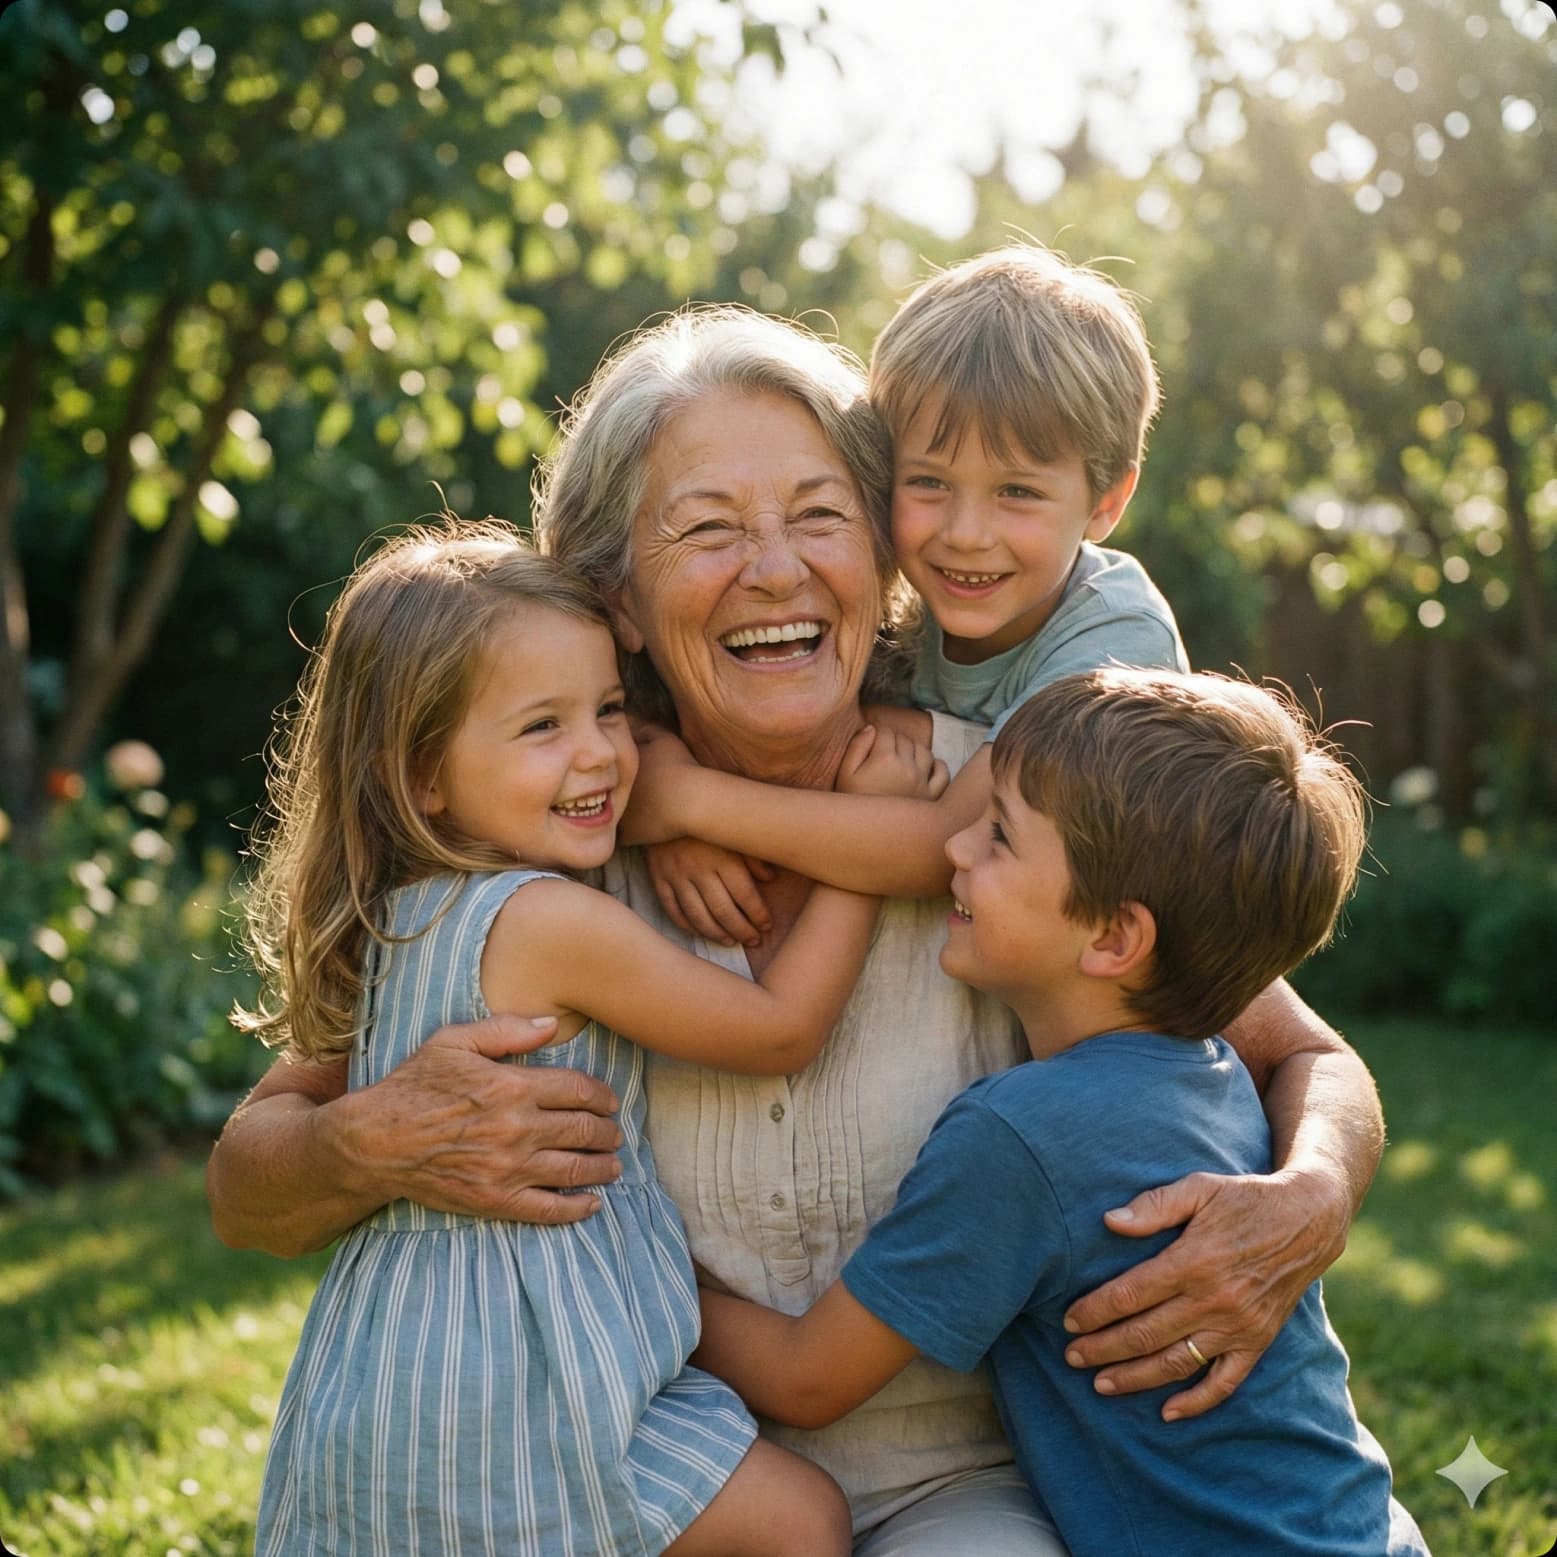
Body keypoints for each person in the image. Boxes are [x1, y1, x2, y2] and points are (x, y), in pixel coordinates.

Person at [208, 307, 1387, 1555]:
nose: (775, 569)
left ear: (882, 554)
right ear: (614, 591)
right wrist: (367, 1143)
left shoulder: (1022, 819)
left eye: (820, 516)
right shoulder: (551, 834)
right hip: (635, 1467)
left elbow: (1306, 1058)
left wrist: (1309, 1195)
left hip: (962, 1478)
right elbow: (249, 1183)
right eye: (709, 528)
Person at [238, 522, 933, 1554]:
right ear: (424, 775)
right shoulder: (544, 922)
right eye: (542, 728)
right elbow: (778, 1027)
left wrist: (690, 819)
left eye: (609, 710)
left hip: (392, 1370)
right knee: (801, 1522)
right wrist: (856, 846)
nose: (602, 753)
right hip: (514, 1389)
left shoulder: (404, 912)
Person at [692, 667, 1429, 1556]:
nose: (952, 848)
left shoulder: (1021, 1136)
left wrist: (634, 1280)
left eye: (998, 835)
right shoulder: (1218, 1074)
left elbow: (805, 1380)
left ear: (1115, 937)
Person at [621, 245, 1186, 938]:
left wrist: (682, 802)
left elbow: (946, 843)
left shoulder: (1115, 647)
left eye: (1017, 492)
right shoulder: (904, 605)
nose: (965, 533)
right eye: (928, 482)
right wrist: (659, 769)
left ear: (1106, 500)